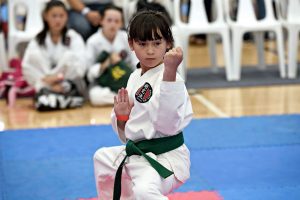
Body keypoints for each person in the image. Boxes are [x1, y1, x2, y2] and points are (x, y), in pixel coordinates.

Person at [93, 10, 193, 199]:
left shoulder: (173, 79)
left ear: (168, 44)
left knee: (143, 191)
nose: (150, 51)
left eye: (157, 43)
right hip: (139, 155)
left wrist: (170, 72)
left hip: (166, 158)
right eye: (142, 44)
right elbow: (128, 135)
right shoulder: (134, 77)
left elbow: (168, 126)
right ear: (131, 44)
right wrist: (122, 116)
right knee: (103, 159)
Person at [22, 0, 87, 111]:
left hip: (67, 82)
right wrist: (47, 79)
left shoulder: (74, 37)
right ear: (46, 16)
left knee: (69, 57)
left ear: (66, 17)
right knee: (34, 56)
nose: (58, 20)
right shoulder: (38, 39)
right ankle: (53, 94)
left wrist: (57, 78)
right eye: (54, 16)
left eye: (61, 16)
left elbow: (81, 68)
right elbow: (27, 67)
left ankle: (50, 95)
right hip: (45, 82)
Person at [86, 5, 138, 106]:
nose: (113, 24)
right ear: (101, 21)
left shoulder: (126, 38)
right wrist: (107, 63)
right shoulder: (92, 42)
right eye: (109, 20)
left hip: (126, 82)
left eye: (117, 21)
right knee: (95, 96)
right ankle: (127, 100)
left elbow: (136, 63)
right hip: (105, 84)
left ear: (121, 23)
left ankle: (125, 99)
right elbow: (89, 74)